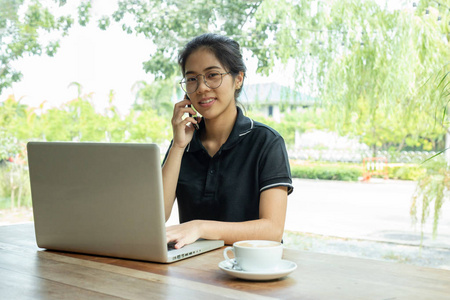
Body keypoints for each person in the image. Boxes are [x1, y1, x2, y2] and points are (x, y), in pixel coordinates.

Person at [162, 33, 293, 249]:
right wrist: (177, 146)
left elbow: (272, 230)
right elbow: (158, 216)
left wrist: (200, 228)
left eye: (212, 75)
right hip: (191, 270)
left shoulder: (266, 142)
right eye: (192, 79)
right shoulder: (183, 142)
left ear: (238, 79)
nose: (202, 87)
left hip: (247, 271)